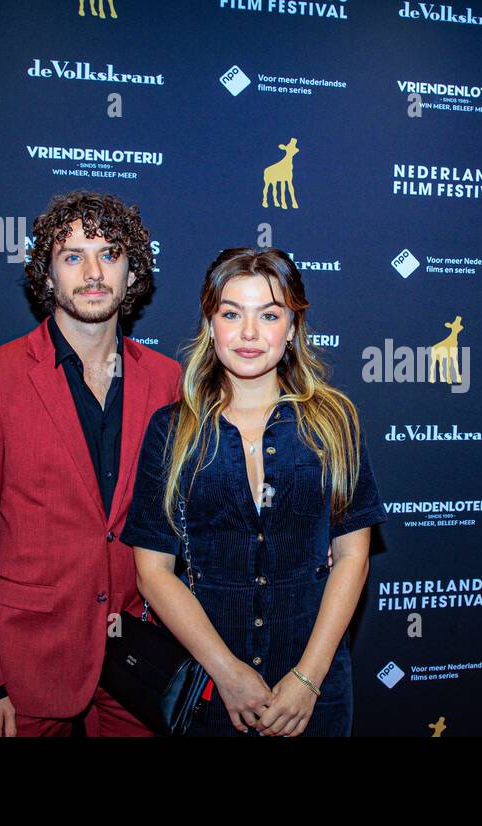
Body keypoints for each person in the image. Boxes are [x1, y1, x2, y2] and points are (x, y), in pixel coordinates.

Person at [121, 247, 386, 737]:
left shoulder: (335, 423)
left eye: (268, 314)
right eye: (230, 313)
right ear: (211, 324)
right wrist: (227, 672)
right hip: (209, 690)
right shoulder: (172, 430)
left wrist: (307, 679)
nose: (248, 333)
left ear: (291, 328)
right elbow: (152, 572)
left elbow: (353, 556)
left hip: (316, 690)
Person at [0, 190, 182, 736]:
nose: (93, 272)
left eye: (110, 254)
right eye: (73, 256)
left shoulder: (168, 381)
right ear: (48, 275)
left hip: (138, 654)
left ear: (133, 271)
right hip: (28, 662)